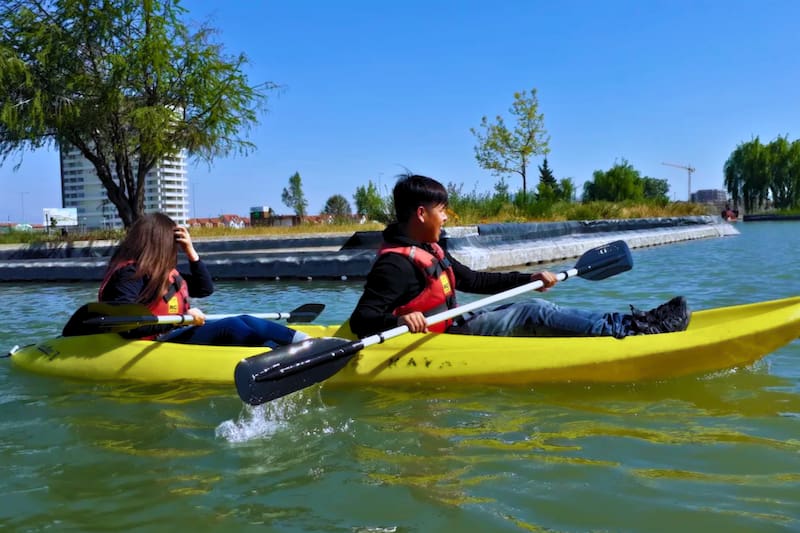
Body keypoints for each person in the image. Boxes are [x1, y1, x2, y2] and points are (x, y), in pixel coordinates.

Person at [348, 174, 691, 339]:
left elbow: (474, 280)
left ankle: (625, 322)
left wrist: (530, 278)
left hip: (452, 326)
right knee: (533, 311)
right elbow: (362, 320)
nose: (447, 217)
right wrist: (401, 322)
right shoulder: (395, 264)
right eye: (442, 210)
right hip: (436, 341)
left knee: (536, 304)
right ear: (422, 214)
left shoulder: (430, 249)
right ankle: (633, 329)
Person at [98, 212, 307, 347]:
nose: (174, 249)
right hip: (151, 342)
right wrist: (181, 319)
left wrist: (191, 253)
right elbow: (126, 325)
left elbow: (205, 288)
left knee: (245, 319)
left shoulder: (162, 273)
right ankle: (275, 352)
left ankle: (300, 341)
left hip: (173, 332)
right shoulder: (129, 275)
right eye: (173, 243)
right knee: (231, 326)